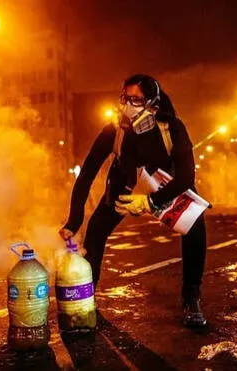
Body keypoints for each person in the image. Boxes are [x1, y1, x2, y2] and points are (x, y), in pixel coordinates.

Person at [59, 74, 208, 327]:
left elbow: (186, 177)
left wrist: (151, 202)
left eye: (136, 100)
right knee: (95, 230)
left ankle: (191, 296)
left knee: (196, 227)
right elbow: (86, 175)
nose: (128, 105)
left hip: (165, 187)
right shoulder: (114, 131)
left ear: (153, 102)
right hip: (125, 186)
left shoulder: (172, 127)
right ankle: (87, 297)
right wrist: (74, 221)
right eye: (125, 98)